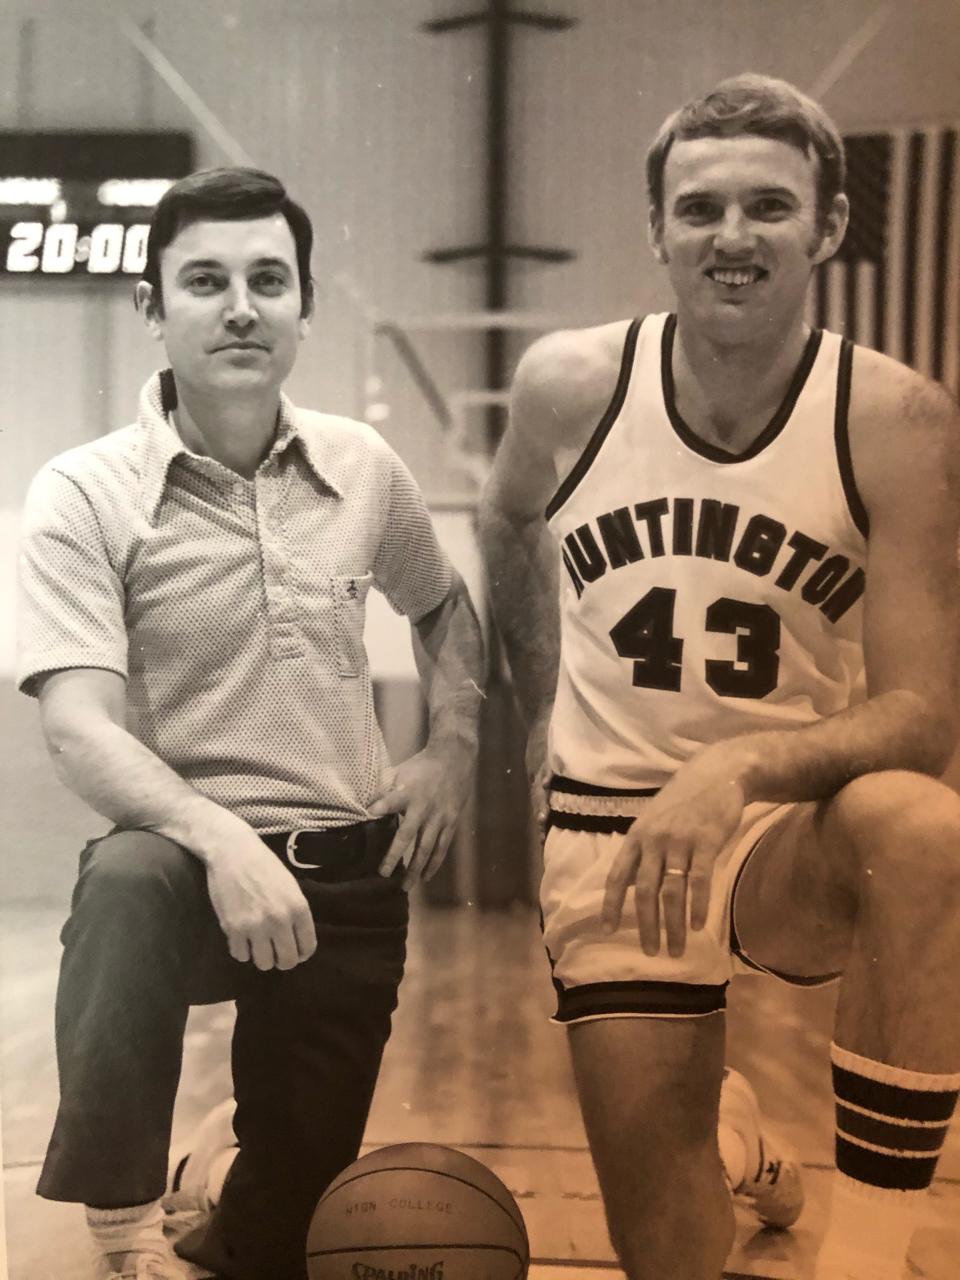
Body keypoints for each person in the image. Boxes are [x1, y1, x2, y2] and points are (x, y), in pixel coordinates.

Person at [478, 73, 960, 1280]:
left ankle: (869, 1254)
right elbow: (504, 526)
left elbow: (926, 714)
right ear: (658, 232)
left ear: (829, 226)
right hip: (610, 833)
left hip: (780, 826)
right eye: (699, 209)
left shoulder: (893, 417)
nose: (731, 237)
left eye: (767, 206)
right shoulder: (568, 387)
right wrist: (536, 707)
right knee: (673, 1258)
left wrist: (737, 763)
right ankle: (739, 1147)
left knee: (921, 826)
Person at [17, 166, 484, 1280]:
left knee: (280, 1246)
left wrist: (454, 744)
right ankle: (123, 1238)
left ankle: (226, 1178)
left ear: (302, 306)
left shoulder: (362, 466)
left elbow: (447, 608)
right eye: (206, 280)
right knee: (125, 879)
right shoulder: (86, 491)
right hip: (186, 865)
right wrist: (222, 840)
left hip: (345, 868)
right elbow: (80, 724)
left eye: (268, 279)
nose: (240, 304)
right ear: (152, 307)